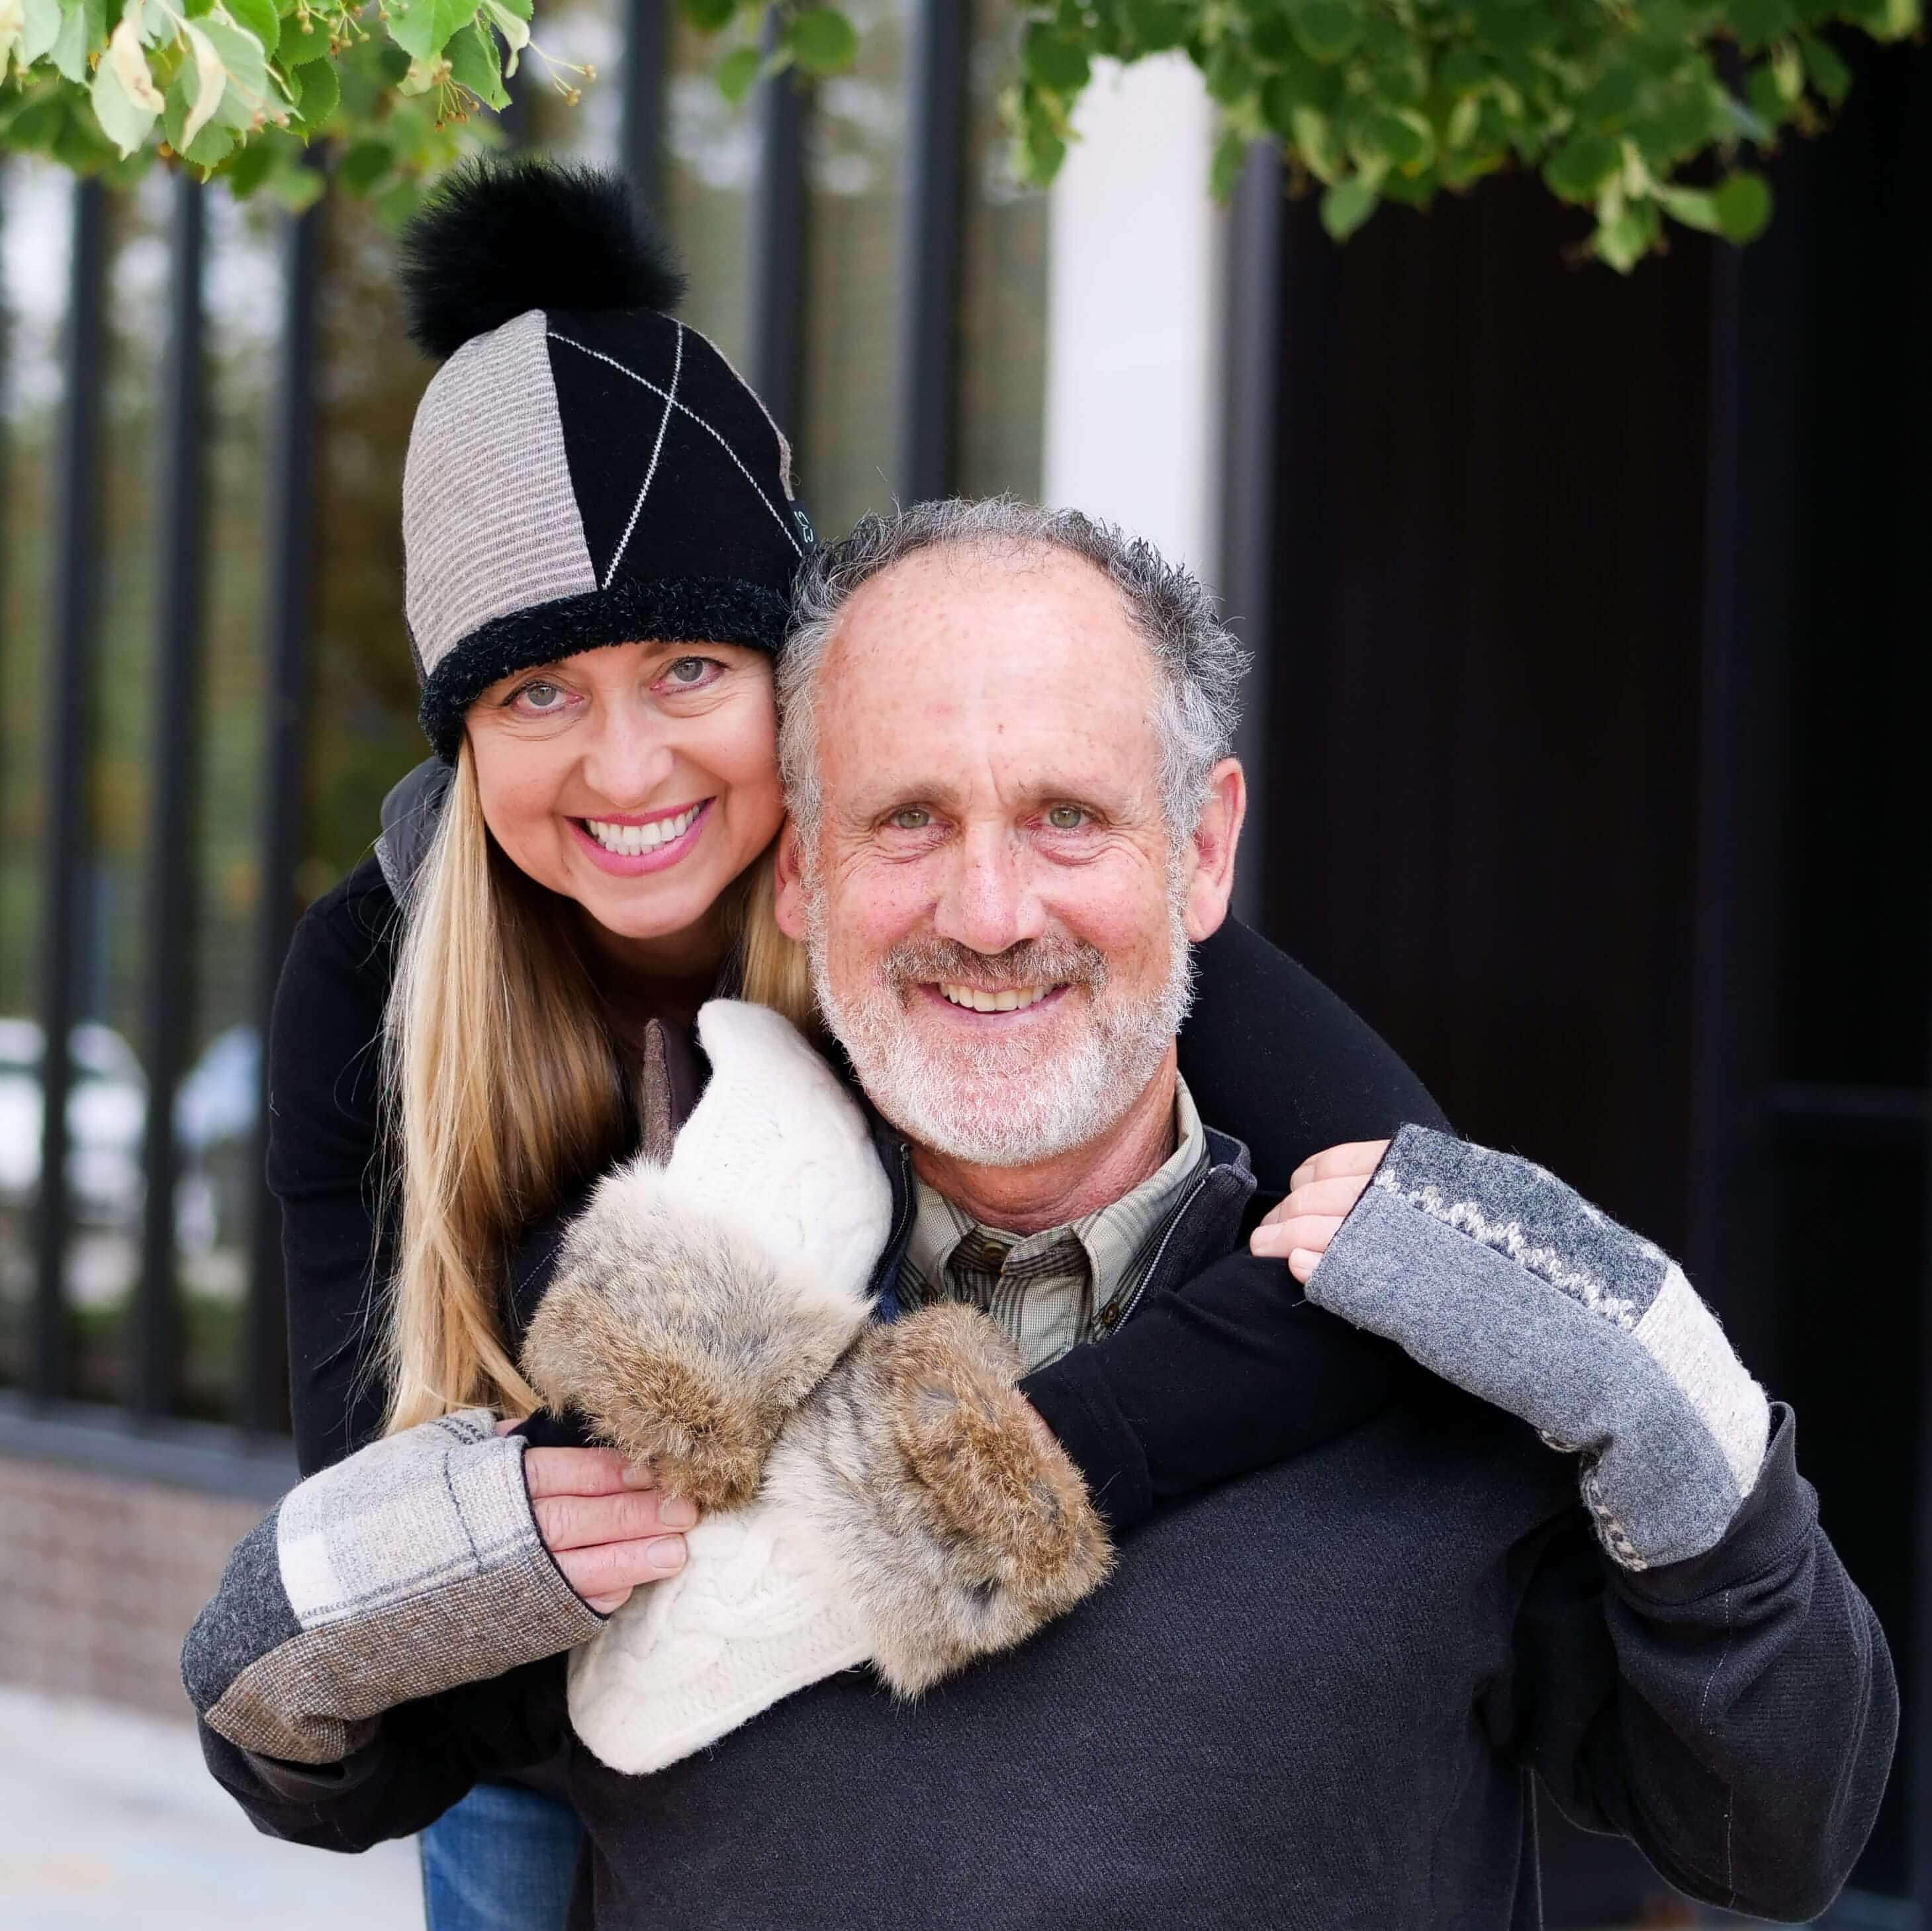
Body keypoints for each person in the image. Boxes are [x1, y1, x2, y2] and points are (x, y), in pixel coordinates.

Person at [192, 499, 1894, 1927]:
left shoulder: (1440, 1358)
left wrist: (1681, 1415)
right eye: (907, 821)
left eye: (1066, 818)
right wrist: (331, 1582)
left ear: (1200, 856)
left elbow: (1778, 1823)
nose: (989, 911)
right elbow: (325, 1750)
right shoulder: (657, 1320)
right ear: (799, 874)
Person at [269, 161, 1451, 1928]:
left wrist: (989, 1483)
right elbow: (364, 1519)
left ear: (793, 669)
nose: (627, 768)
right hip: (553, 1717)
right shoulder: (370, 975)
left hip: (976, 1688)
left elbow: (1409, 1239)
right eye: (537, 694)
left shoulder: (940, 898)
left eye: (688, 668)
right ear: (461, 734)